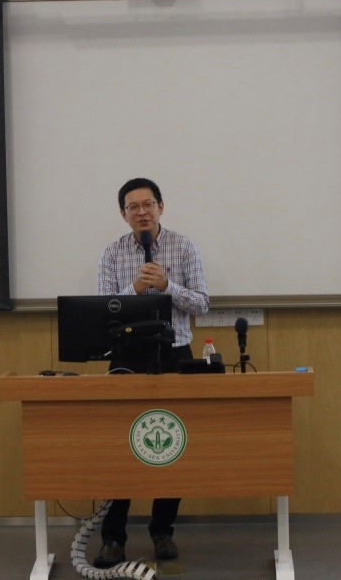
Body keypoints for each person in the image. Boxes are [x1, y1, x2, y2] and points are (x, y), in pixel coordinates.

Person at [93, 177, 209, 569]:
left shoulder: (184, 246)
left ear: (161, 207)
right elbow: (103, 309)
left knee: (172, 442)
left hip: (175, 353)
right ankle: (113, 538)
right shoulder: (112, 253)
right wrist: (136, 290)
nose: (141, 212)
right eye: (133, 207)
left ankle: (163, 531)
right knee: (118, 444)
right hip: (127, 356)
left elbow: (202, 303)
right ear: (123, 214)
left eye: (148, 205)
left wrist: (167, 285)